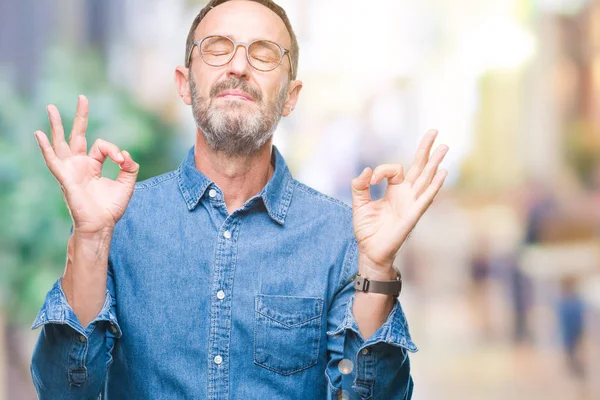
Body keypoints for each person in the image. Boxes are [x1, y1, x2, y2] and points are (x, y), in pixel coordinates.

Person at [30, 0, 448, 398]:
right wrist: (89, 238)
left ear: (290, 96)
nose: (238, 66)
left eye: (264, 53)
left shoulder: (341, 237)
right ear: (185, 84)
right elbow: (64, 390)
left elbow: (370, 395)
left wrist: (376, 266)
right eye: (217, 48)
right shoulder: (119, 222)